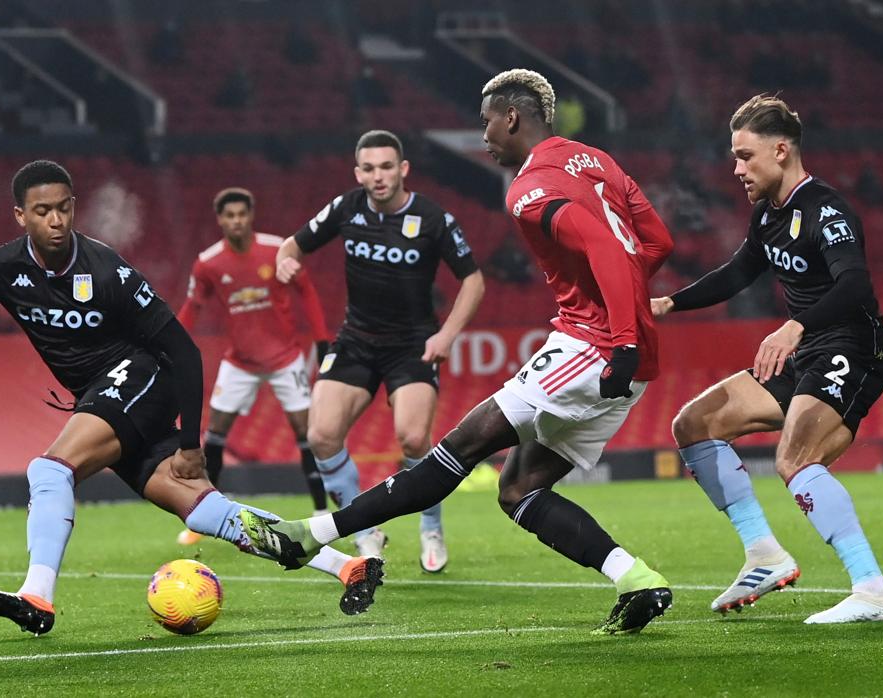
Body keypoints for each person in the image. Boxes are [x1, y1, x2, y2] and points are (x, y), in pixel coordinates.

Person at [0, 161, 383, 636]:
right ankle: (344, 566)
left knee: (50, 470)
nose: (56, 221)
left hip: (141, 378)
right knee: (202, 511)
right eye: (42, 212)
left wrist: (192, 444)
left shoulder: (108, 271)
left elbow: (185, 353)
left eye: (63, 209)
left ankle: (37, 595)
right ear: (19, 217)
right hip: (106, 398)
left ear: (74, 207)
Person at [244, 69, 676, 635]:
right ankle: (636, 578)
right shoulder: (597, 161)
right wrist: (632, 321)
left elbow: (603, 249)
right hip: (633, 355)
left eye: (487, 123)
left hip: (594, 345)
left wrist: (617, 333)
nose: (485, 136)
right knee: (519, 488)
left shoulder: (528, 190)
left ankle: (312, 535)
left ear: (513, 117)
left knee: (456, 450)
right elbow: (656, 243)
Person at [651, 94, 883, 624]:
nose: (736, 168)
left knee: (795, 459)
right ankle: (763, 554)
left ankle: (873, 590)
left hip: (852, 348)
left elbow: (855, 283)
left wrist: (795, 324)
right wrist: (670, 302)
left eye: (745, 156)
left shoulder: (825, 209)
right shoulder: (768, 215)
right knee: (693, 423)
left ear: (781, 151)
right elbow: (738, 272)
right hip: (809, 350)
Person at [274, 130, 486, 572]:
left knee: (412, 437)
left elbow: (473, 280)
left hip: (411, 346)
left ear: (403, 169)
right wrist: (284, 260)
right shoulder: (346, 207)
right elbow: (292, 245)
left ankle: (431, 525)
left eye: (386, 166)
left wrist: (446, 335)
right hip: (355, 340)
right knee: (321, 435)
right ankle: (365, 531)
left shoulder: (432, 218)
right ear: (358, 173)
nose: (378, 176)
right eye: (368, 169)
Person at [174, 187, 332, 546]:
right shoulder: (209, 263)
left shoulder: (278, 251)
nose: (236, 221)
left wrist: (322, 341)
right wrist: (172, 343)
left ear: (251, 216)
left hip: (284, 358)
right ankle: (204, 517)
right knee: (214, 433)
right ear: (220, 220)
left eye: (241, 215)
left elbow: (306, 290)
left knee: (307, 433)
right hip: (240, 362)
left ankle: (323, 513)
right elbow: (192, 307)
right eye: (229, 216)